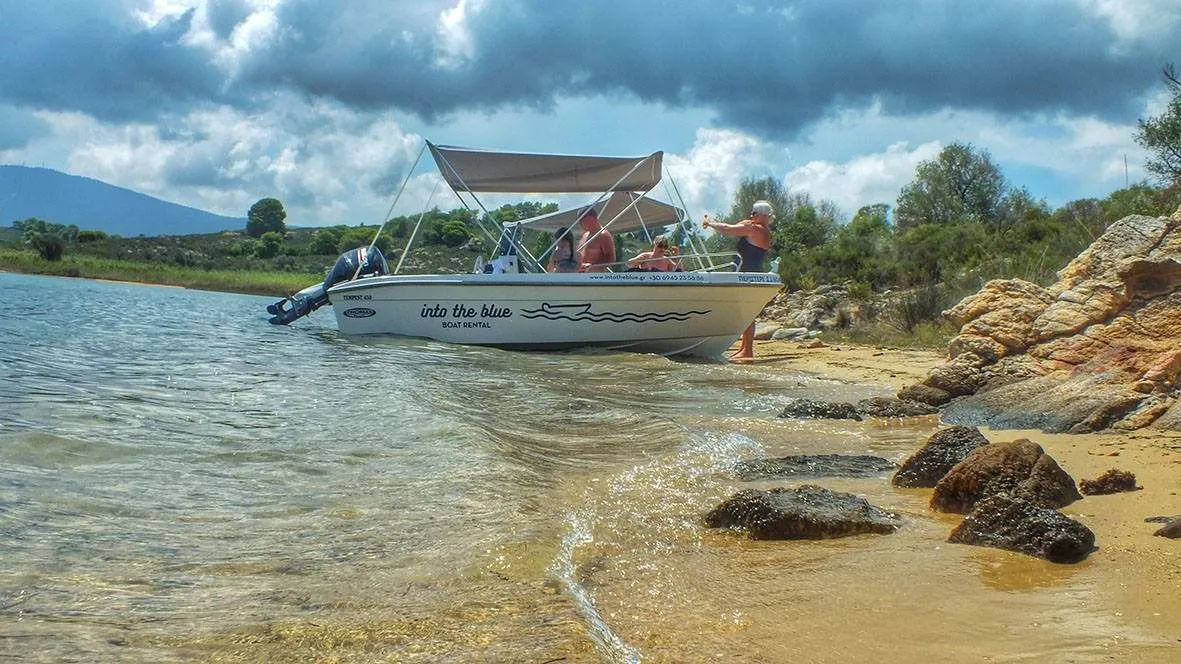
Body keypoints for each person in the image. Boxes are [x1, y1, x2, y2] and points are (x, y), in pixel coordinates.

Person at [703, 199, 776, 359]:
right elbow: (739, 226)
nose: (751, 215)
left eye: (754, 213)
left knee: (746, 313)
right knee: (746, 312)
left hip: (746, 273)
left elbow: (728, 229)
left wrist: (710, 224)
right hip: (752, 272)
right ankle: (744, 348)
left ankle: (747, 350)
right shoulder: (762, 230)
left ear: (762, 215)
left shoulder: (755, 229)